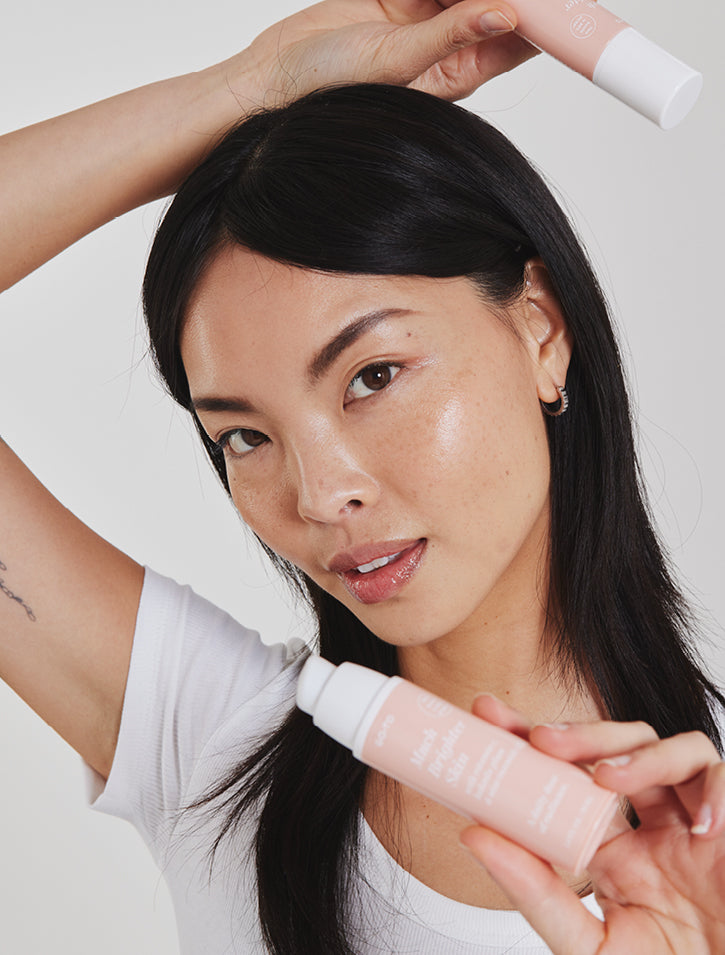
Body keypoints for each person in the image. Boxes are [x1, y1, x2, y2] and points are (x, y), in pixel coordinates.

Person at [1, 2, 723, 954]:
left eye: (372, 377)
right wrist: (247, 93)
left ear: (540, 328)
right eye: (244, 437)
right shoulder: (207, 743)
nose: (317, 493)